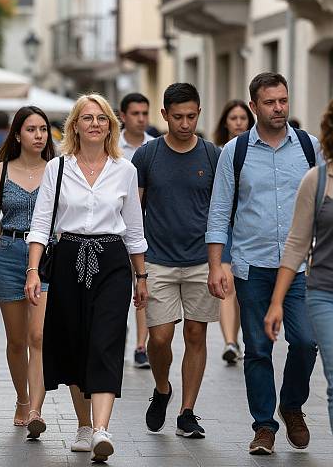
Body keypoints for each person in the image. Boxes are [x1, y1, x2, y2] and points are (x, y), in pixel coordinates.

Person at [25, 94, 148, 463]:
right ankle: (83, 425)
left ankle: (101, 430)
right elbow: (41, 223)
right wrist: (33, 270)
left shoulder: (125, 170)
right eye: (87, 118)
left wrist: (141, 277)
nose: (95, 124)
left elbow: (135, 231)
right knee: (76, 342)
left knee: (106, 339)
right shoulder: (58, 168)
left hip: (111, 260)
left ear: (111, 125)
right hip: (66, 258)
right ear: (75, 125)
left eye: (102, 119)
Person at [206, 72, 320, 455]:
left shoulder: (309, 147)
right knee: (257, 348)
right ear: (253, 107)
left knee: (306, 342)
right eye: (270, 102)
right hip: (252, 266)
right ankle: (264, 427)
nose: (279, 108)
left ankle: (291, 404)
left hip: (302, 267)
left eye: (283, 100)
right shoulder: (234, 152)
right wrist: (216, 264)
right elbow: (220, 210)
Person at [132, 83, 221, 439]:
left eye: (192, 116)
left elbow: (221, 210)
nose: (185, 124)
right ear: (164, 115)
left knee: (196, 333)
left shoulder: (213, 155)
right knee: (159, 338)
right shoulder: (147, 156)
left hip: (201, 259)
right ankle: (162, 388)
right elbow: (134, 212)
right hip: (158, 260)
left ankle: (187, 411)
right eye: (178, 117)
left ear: (199, 113)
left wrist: (221, 262)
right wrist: (136, 265)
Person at [0, 106, 55, 439]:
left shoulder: (57, 170)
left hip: (46, 257)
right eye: (31, 129)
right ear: (17, 134)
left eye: (43, 129)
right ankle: (22, 398)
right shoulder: (0, 171)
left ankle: (36, 410)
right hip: (10, 253)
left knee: (38, 336)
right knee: (16, 340)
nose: (39, 135)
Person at [264, 100, 333, 433]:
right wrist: (277, 302)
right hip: (324, 291)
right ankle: (276, 416)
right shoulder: (317, 180)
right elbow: (296, 244)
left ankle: (291, 403)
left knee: (306, 347)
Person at [213, 100, 255, 364]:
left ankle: (237, 340)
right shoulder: (218, 154)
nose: (239, 122)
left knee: (241, 289)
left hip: (250, 228)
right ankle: (230, 342)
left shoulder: (256, 152)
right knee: (227, 285)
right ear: (225, 123)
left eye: (243, 118)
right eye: (233, 118)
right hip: (225, 227)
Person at [119, 92, 154, 369]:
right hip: (113, 231)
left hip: (145, 230)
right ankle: (120, 333)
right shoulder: (112, 147)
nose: (141, 119)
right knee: (120, 289)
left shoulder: (154, 148)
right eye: (135, 113)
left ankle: (141, 345)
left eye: (145, 113)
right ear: (123, 116)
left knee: (143, 284)